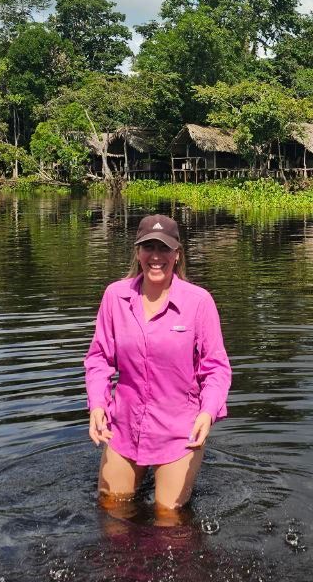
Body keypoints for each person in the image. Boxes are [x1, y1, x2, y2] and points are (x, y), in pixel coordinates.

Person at [84, 214, 232, 513]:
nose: (155, 256)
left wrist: (207, 413)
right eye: (148, 247)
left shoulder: (199, 302)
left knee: (168, 517)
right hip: (124, 426)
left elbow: (216, 367)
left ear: (177, 255)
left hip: (179, 430)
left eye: (163, 248)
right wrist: (97, 405)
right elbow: (99, 358)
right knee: (112, 508)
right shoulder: (115, 296)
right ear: (137, 252)